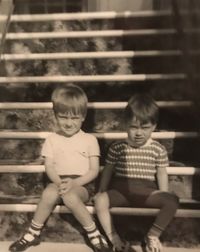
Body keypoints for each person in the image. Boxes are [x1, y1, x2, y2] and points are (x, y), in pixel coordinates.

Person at [9, 84, 111, 252]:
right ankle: (32, 233)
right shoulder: (52, 140)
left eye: (74, 118)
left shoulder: (90, 140)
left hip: (82, 184)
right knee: (48, 193)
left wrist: (74, 183)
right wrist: (59, 182)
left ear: (83, 116)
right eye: (63, 117)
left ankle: (94, 234)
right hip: (58, 180)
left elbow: (93, 170)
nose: (69, 123)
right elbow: (49, 166)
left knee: (70, 197)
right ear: (55, 116)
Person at [94, 93, 179, 252]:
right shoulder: (117, 147)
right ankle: (114, 238)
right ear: (125, 125)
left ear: (154, 126)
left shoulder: (158, 149)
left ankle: (153, 235)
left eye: (145, 127)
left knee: (172, 201)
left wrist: (163, 191)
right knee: (100, 201)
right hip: (121, 191)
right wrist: (102, 190)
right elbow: (108, 170)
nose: (139, 133)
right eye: (134, 127)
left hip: (147, 192)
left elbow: (161, 172)